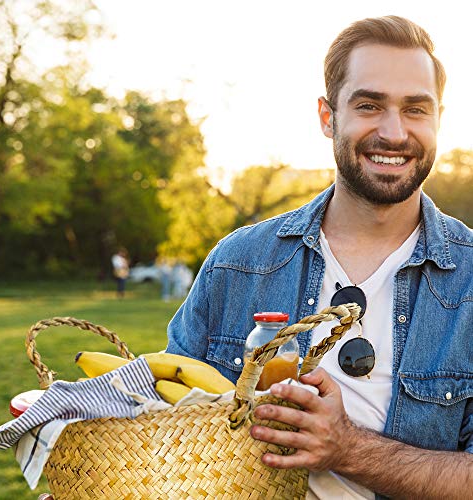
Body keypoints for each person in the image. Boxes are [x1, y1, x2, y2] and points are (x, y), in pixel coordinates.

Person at [166, 15, 473, 499]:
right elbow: (168, 429)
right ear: (328, 117)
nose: (394, 133)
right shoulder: (237, 264)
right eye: (369, 105)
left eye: (416, 109)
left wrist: (348, 449)